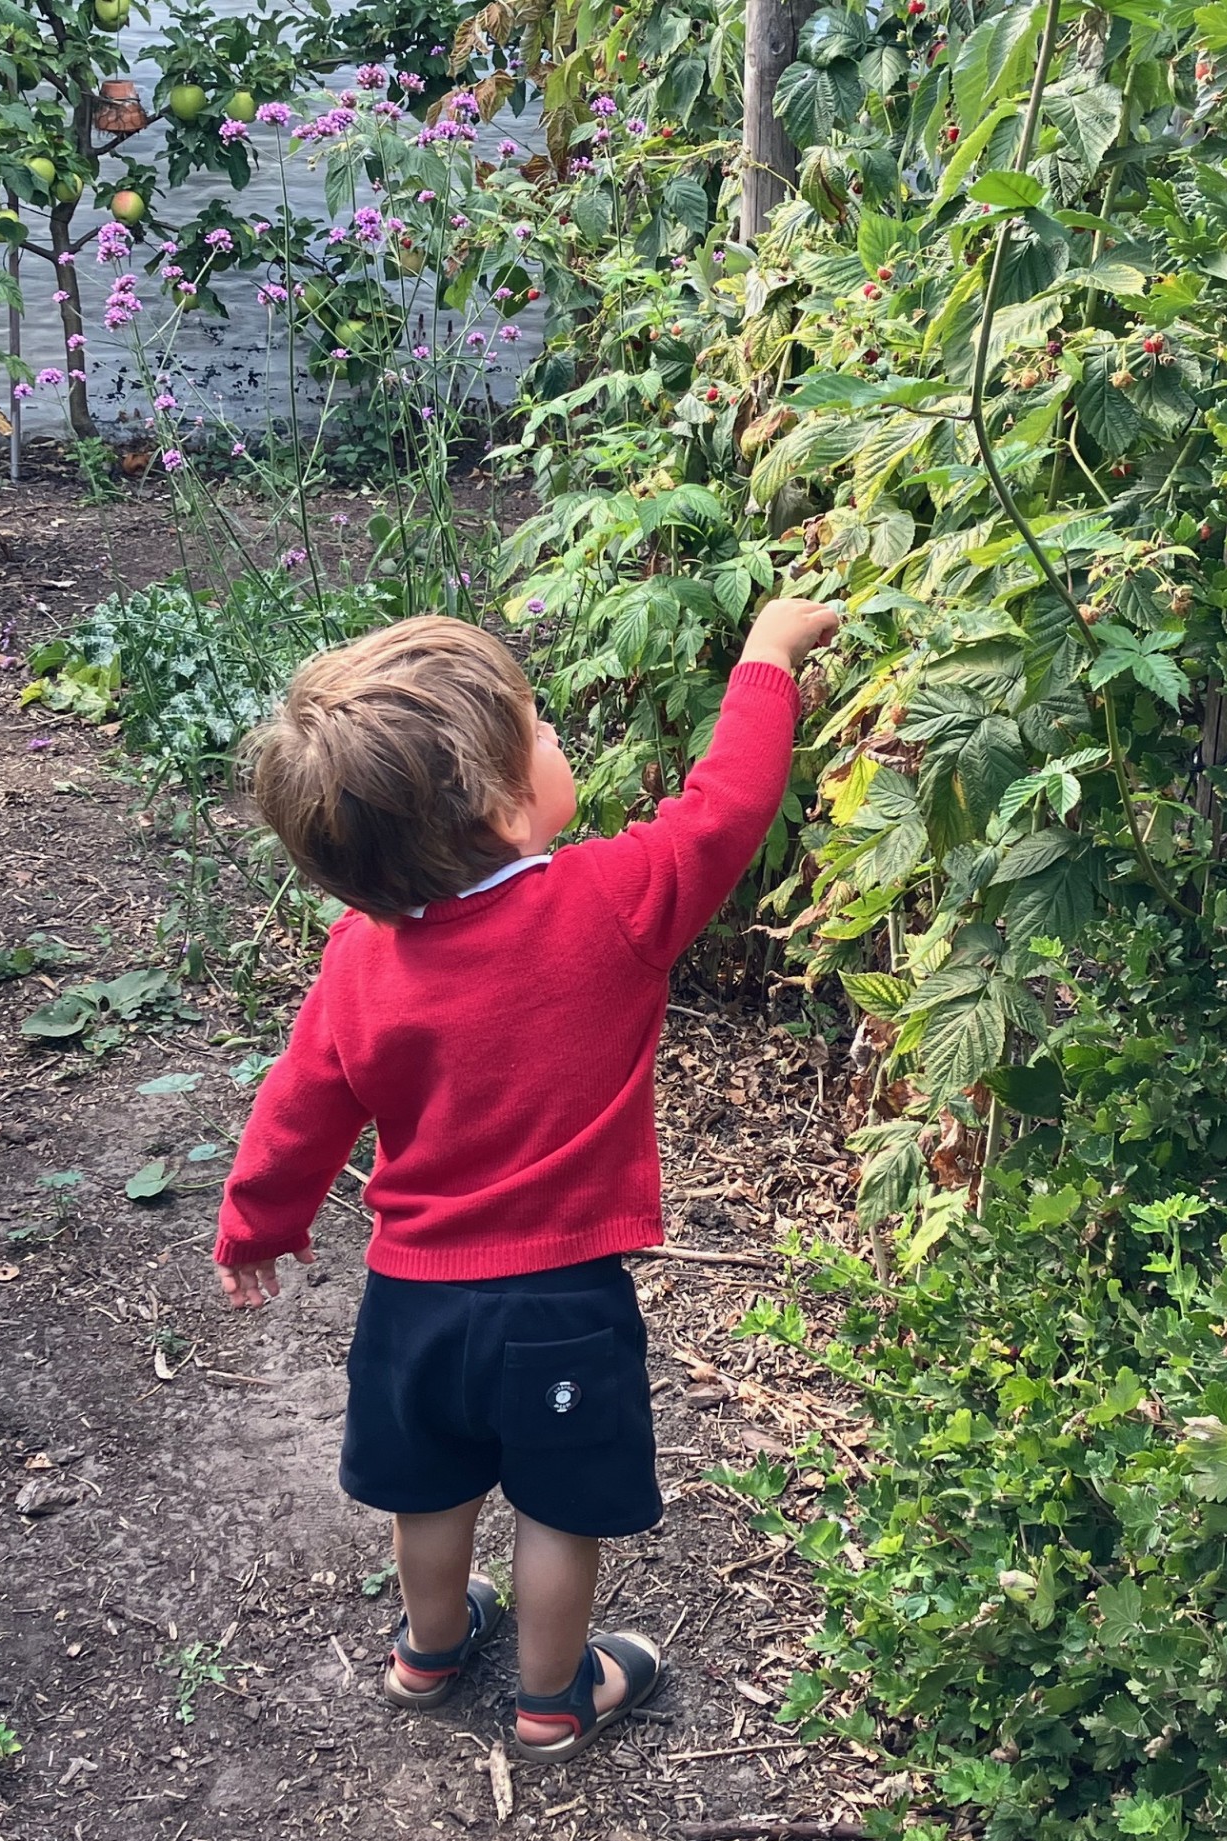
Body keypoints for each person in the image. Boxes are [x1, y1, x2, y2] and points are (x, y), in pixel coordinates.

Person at [211, 597, 837, 1761]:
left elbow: (300, 1105)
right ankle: (554, 1698)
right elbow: (729, 806)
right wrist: (765, 655)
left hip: (412, 1302)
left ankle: (430, 1649)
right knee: (554, 1509)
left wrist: (257, 1224)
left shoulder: (359, 958)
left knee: (431, 1489)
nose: (554, 736)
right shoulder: (610, 901)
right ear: (504, 806)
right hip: (561, 1303)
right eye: (536, 730)